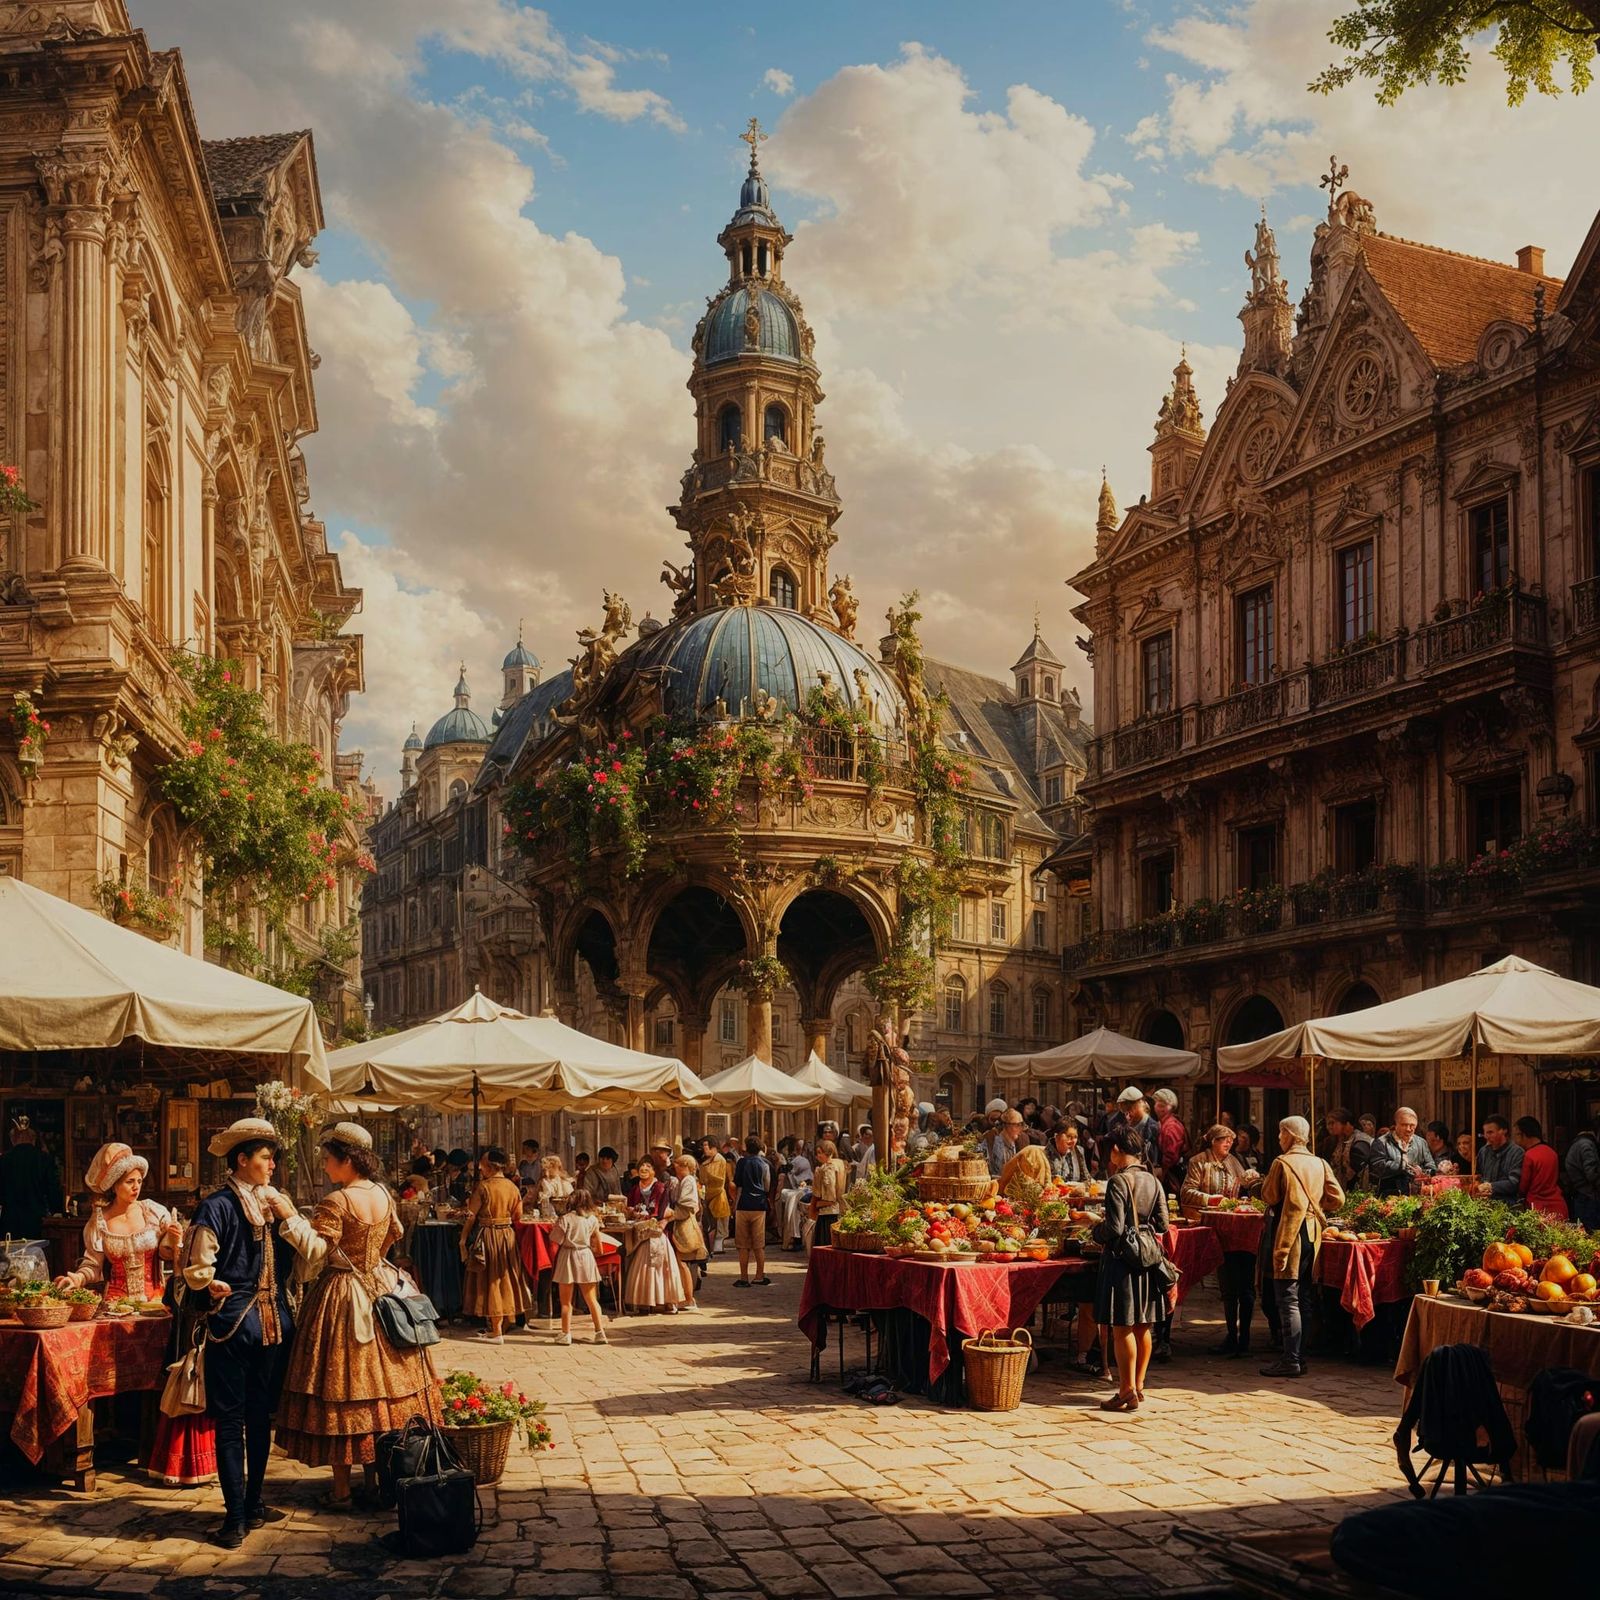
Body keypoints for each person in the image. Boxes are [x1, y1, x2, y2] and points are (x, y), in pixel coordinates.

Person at [275, 1124, 441, 1507]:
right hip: (378, 1286)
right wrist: (369, 1264)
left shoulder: (337, 1201)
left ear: (347, 1160)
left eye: (328, 1159)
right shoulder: (383, 1192)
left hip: (342, 1293)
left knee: (342, 1388)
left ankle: (341, 1489)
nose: (324, 1165)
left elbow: (316, 1251)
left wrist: (289, 1217)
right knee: (378, 1389)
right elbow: (393, 1234)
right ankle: (374, 1480)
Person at [181, 1117, 317, 1548]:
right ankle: (240, 1513)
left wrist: (290, 1216)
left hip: (259, 1326)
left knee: (250, 1418)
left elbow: (312, 1257)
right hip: (246, 1325)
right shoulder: (219, 1206)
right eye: (264, 1157)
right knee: (239, 1419)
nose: (273, 1164)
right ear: (242, 1160)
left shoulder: (274, 1205)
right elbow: (199, 1269)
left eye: (273, 1157)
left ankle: (248, 1509)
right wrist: (210, 1283)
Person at [55, 1143, 213, 1488]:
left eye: (139, 1179)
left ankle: (153, 1445)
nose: (136, 1186)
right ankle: (101, 1442)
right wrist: (75, 1279)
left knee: (161, 1375)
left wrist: (173, 1240)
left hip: (156, 1308)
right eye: (129, 1180)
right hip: (114, 1309)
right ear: (114, 1185)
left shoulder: (154, 1212)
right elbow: (93, 1267)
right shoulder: (99, 1222)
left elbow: (170, 1256)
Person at [1258, 1116, 1344, 1380]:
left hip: (1289, 1233)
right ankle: (1300, 1356)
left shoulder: (1282, 1163)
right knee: (1304, 1296)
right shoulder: (1319, 1162)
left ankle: (1290, 1358)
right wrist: (1315, 1205)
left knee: (1287, 1297)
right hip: (1313, 1234)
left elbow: (1269, 1196)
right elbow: (1337, 1198)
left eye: (1281, 1133)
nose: (1279, 1138)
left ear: (1291, 1135)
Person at [1091, 1130, 1170, 1413]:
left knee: (1122, 1327)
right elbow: (1162, 1223)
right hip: (1147, 1260)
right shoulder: (1154, 1180)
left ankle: (1125, 1390)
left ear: (1115, 1150)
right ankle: (1138, 1386)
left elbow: (1113, 1228)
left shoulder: (1118, 1181)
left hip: (1122, 1262)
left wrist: (1093, 1230)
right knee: (1142, 1326)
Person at [1181, 1125, 1259, 1357]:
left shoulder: (1234, 1161)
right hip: (1216, 1228)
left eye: (1230, 1140)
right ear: (1213, 1141)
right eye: (1224, 1140)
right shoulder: (1199, 1161)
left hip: (1240, 1228)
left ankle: (1243, 1338)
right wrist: (1211, 1199)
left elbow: (1243, 1187)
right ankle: (1230, 1335)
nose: (1228, 1144)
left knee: (1245, 1285)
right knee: (1227, 1285)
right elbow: (1187, 1192)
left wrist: (1252, 1181)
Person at [460, 1146, 531, 1343]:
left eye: (482, 1164)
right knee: (506, 1277)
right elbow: (518, 1215)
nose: (480, 1168)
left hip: (489, 1235)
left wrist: (463, 1239)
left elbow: (471, 1216)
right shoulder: (513, 1187)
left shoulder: (483, 1187)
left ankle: (496, 1330)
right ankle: (502, 1325)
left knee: (489, 1279)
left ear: (490, 1166)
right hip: (507, 1236)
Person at [624, 1158, 686, 1312]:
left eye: (648, 1166)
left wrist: (655, 1218)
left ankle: (668, 1301)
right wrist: (631, 1211)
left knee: (662, 1265)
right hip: (641, 1231)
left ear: (653, 1171)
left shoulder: (660, 1188)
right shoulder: (634, 1189)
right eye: (641, 1166)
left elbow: (662, 1210)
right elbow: (629, 1207)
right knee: (642, 1265)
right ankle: (645, 1301)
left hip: (657, 1230)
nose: (644, 1168)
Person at [550, 1187, 607, 1344]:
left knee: (566, 1301)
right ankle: (600, 1331)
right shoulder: (593, 1219)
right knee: (591, 1299)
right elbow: (599, 1244)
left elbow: (555, 1240)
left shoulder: (566, 1219)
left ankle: (565, 1333)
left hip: (568, 1255)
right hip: (586, 1255)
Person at [0, 1114, 62, 1240]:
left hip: (9, 1221)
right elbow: (52, 1188)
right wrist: (57, 1211)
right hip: (36, 1221)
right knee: (35, 1256)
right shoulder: (44, 1159)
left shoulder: (3, 1160)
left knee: (9, 1257)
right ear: (34, 1139)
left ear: (13, 1139)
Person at [1365, 1106, 1435, 1196]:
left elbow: (1431, 1167)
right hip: (1389, 1195)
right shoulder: (1381, 1142)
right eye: (1404, 1125)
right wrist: (1402, 1166)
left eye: (1412, 1126)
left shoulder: (1421, 1142)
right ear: (1395, 1125)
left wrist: (1423, 1172)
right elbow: (1377, 1166)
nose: (1409, 1129)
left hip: (1417, 1194)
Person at [732, 1135, 772, 1288]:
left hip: (743, 1205)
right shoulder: (764, 1164)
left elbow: (737, 1184)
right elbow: (767, 1186)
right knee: (759, 1245)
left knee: (743, 1245)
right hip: (759, 1206)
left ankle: (743, 1277)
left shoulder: (742, 1162)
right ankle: (759, 1276)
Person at [668, 1151, 707, 1304]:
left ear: (684, 1166)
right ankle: (686, 1296)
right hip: (681, 1223)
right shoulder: (684, 1180)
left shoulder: (688, 1180)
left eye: (677, 1164)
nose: (675, 1167)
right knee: (681, 1262)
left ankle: (688, 1297)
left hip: (684, 1224)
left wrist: (670, 1215)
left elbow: (686, 1206)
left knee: (682, 1262)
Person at [1513, 1116, 1568, 1218]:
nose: (1516, 1140)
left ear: (1523, 1135)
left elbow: (1523, 1187)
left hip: (1538, 1208)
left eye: (1517, 1135)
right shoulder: (1552, 1152)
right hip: (1559, 1206)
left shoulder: (1529, 1155)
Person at [1474, 1115, 1524, 1200]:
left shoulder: (1517, 1152)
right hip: (1484, 1202)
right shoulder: (1483, 1151)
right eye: (1485, 1133)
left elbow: (1514, 1183)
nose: (1486, 1137)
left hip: (1507, 1204)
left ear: (1503, 1131)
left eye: (1490, 1132)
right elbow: (1477, 1175)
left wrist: (1491, 1186)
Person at [810, 1139, 848, 1248]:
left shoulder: (828, 1168)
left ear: (829, 1152)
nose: (818, 1156)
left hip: (827, 1214)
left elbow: (830, 1198)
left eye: (820, 1152)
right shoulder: (839, 1164)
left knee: (825, 1247)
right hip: (837, 1211)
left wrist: (816, 1205)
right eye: (817, 1153)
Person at [1324, 1107, 1371, 1191]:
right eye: (1328, 1124)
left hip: (1358, 1189)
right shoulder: (1333, 1141)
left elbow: (1358, 1170)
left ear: (1347, 1123)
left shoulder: (1360, 1141)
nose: (1329, 1127)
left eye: (1332, 1123)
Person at [698, 1138, 731, 1256]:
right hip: (708, 1195)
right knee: (710, 1224)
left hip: (716, 1195)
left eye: (706, 1146)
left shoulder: (719, 1160)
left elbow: (718, 1180)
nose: (704, 1149)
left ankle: (717, 1245)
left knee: (719, 1224)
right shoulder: (706, 1162)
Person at [1564, 1123, 1600, 1230]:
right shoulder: (1586, 1145)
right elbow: (1592, 1173)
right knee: (1591, 1231)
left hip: (1581, 1193)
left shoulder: (1578, 1144)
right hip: (1587, 1195)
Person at [1151, 1089, 1189, 1190]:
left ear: (1164, 1108)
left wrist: (1162, 1173)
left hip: (1172, 1175)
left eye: (1158, 1105)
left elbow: (1171, 1156)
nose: (1155, 1107)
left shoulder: (1171, 1127)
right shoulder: (1166, 1124)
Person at [985, 1108, 1026, 1176]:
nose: (1020, 1129)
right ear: (1006, 1125)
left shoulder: (1014, 1143)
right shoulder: (996, 1145)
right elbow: (998, 1174)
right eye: (1016, 1125)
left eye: (1021, 1124)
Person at [535, 1155, 575, 1219]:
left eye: (548, 1168)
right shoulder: (544, 1181)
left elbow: (570, 1196)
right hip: (548, 1210)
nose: (545, 1170)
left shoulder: (565, 1182)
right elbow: (544, 1196)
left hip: (564, 1211)